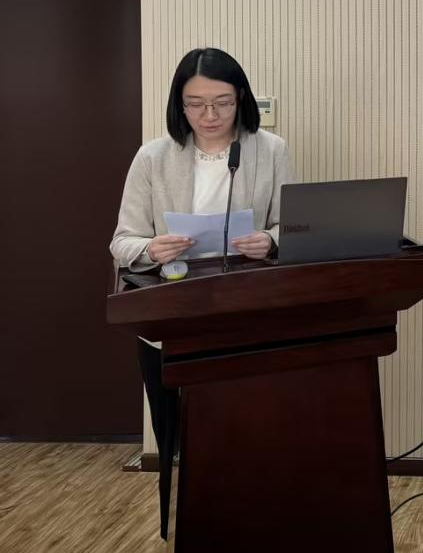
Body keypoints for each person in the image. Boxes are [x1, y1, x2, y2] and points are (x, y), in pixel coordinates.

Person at [109, 47, 294, 538]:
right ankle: (185, 526)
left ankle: (252, 524)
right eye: (195, 104)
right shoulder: (153, 156)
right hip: (173, 314)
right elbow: (122, 242)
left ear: (241, 100)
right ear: (179, 104)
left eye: (222, 103)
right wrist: (152, 247)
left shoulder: (270, 150)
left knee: (248, 431)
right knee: (178, 433)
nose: (209, 115)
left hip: (246, 311)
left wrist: (270, 240)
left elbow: (293, 227)